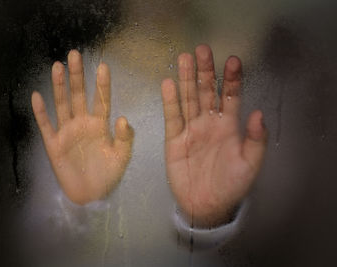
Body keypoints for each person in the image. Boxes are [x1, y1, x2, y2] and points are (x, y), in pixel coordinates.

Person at [31, 44, 267, 248]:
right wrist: (78, 207)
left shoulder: (226, 87)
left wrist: (207, 220)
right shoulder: (73, 87)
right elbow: (35, 245)